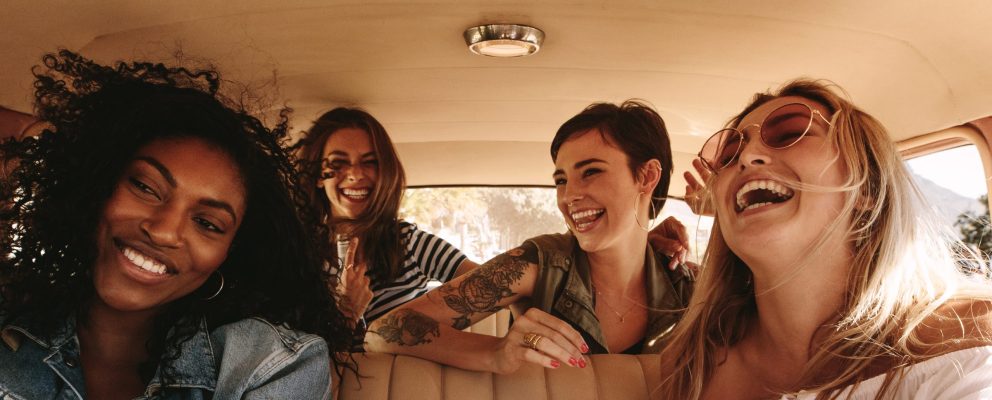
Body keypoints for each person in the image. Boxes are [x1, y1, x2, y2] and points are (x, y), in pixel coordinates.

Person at [0, 50, 352, 399]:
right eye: (145, 187)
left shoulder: (270, 365)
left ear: (229, 254)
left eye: (207, 223)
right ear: (96, 188)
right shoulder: (10, 323)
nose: (164, 231)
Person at [658, 79, 992, 399]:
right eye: (729, 155)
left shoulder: (966, 338)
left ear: (867, 188)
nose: (747, 157)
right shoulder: (690, 365)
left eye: (790, 133)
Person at [364, 100, 694, 373]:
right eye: (561, 180)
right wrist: (496, 353)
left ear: (647, 176)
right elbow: (382, 332)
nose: (569, 196)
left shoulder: (690, 288)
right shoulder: (539, 264)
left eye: (591, 171)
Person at [297, 108, 482, 331]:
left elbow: (489, 283)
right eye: (339, 163)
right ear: (318, 176)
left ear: (384, 171)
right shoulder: (298, 257)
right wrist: (348, 311)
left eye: (369, 162)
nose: (355, 174)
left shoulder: (407, 243)